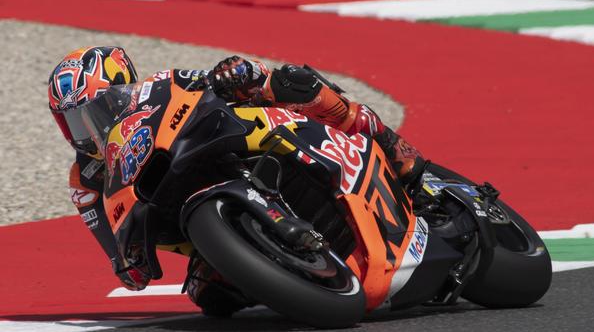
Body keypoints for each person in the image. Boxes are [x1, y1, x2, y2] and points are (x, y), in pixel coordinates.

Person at [49, 46, 432, 316]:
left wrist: (237, 72)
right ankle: (288, 273)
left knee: (289, 82)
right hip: (181, 213)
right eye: (74, 122)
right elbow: (121, 261)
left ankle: (386, 142)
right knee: (209, 297)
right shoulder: (84, 181)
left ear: (122, 89)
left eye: (92, 112)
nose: (87, 130)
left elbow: (213, 81)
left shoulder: (158, 86)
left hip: (233, 141)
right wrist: (128, 262)